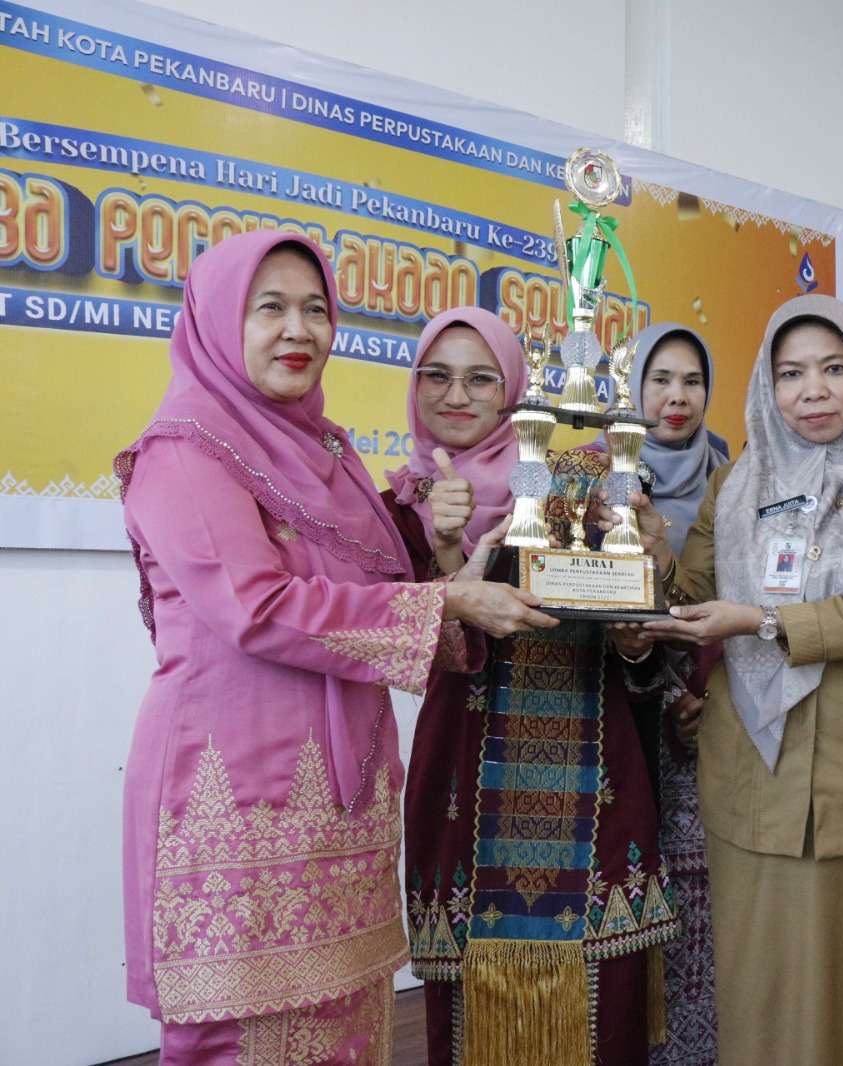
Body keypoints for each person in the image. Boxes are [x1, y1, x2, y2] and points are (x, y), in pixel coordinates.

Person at [118, 232, 554, 1065]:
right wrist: (447, 601)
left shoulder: (331, 453)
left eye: (315, 309)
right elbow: (255, 606)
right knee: (238, 1038)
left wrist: (453, 569)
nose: (299, 329)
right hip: (237, 801)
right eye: (270, 308)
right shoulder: (183, 450)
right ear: (219, 319)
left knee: (348, 1034)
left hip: (343, 806)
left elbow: (390, 585)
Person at [636, 294, 843, 1065]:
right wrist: (654, 553)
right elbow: (691, 596)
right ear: (767, 385)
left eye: (833, 368)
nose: (813, 390)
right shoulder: (734, 489)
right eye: (791, 373)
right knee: (761, 985)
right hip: (755, 771)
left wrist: (766, 621)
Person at [384, 306, 678, 1066]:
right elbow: (395, 654)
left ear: (514, 390)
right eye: (436, 376)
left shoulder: (584, 479)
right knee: (466, 1018)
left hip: (593, 791)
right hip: (463, 787)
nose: (457, 395)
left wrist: (653, 583)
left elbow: (641, 642)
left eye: (481, 378)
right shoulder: (396, 506)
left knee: (605, 1019)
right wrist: (444, 549)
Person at [595, 323, 730, 1066]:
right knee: (647, 908)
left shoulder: (734, 478)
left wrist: (712, 694)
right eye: (660, 379)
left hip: (723, 716)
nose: (677, 397)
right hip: (634, 720)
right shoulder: (603, 479)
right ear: (633, 387)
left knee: (721, 918)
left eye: (692, 380)